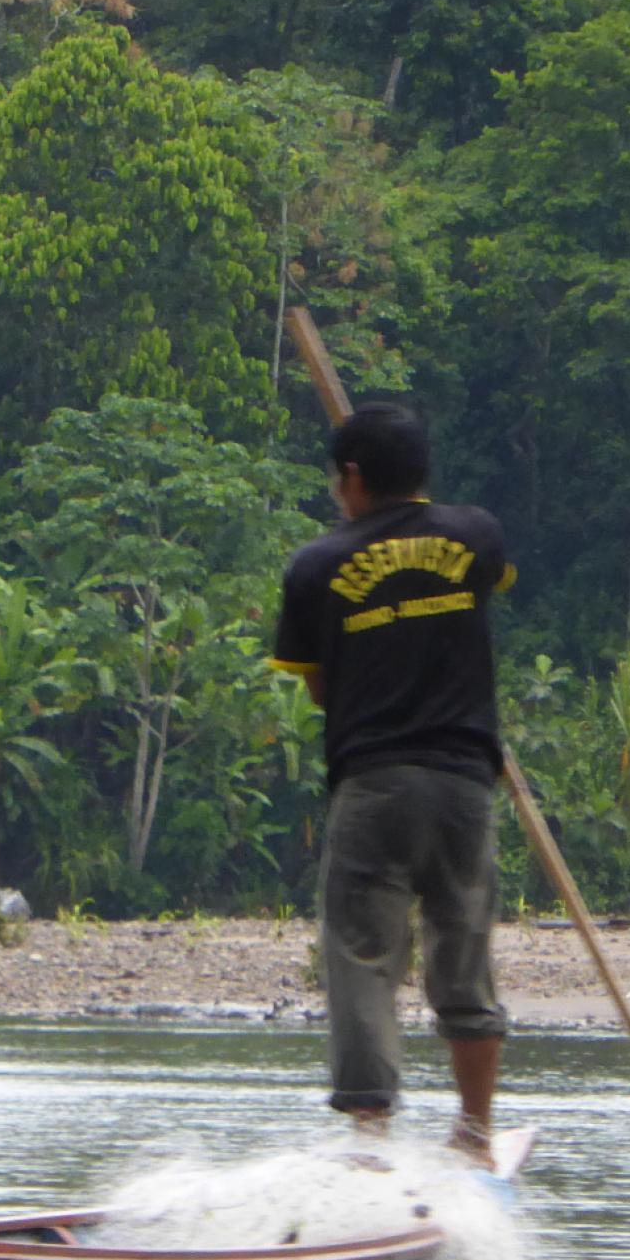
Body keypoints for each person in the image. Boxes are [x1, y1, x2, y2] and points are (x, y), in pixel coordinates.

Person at [269, 402, 512, 1153]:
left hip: (374, 783)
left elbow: (319, 689)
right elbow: (485, 588)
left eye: (337, 481)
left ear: (352, 477)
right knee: (463, 950)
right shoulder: (475, 535)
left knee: (361, 957)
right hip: (464, 783)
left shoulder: (316, 567)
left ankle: (370, 1145)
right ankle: (474, 1133)